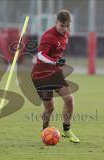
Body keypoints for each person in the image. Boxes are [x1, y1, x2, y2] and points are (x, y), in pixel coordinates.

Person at [31, 10, 80, 143]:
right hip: (41, 74)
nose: (64, 29)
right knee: (50, 108)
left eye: (67, 26)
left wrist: (56, 63)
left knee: (69, 99)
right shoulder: (48, 36)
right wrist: (54, 62)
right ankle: (45, 130)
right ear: (56, 22)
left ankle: (66, 130)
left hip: (54, 72)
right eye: (62, 26)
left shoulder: (66, 35)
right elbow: (40, 55)